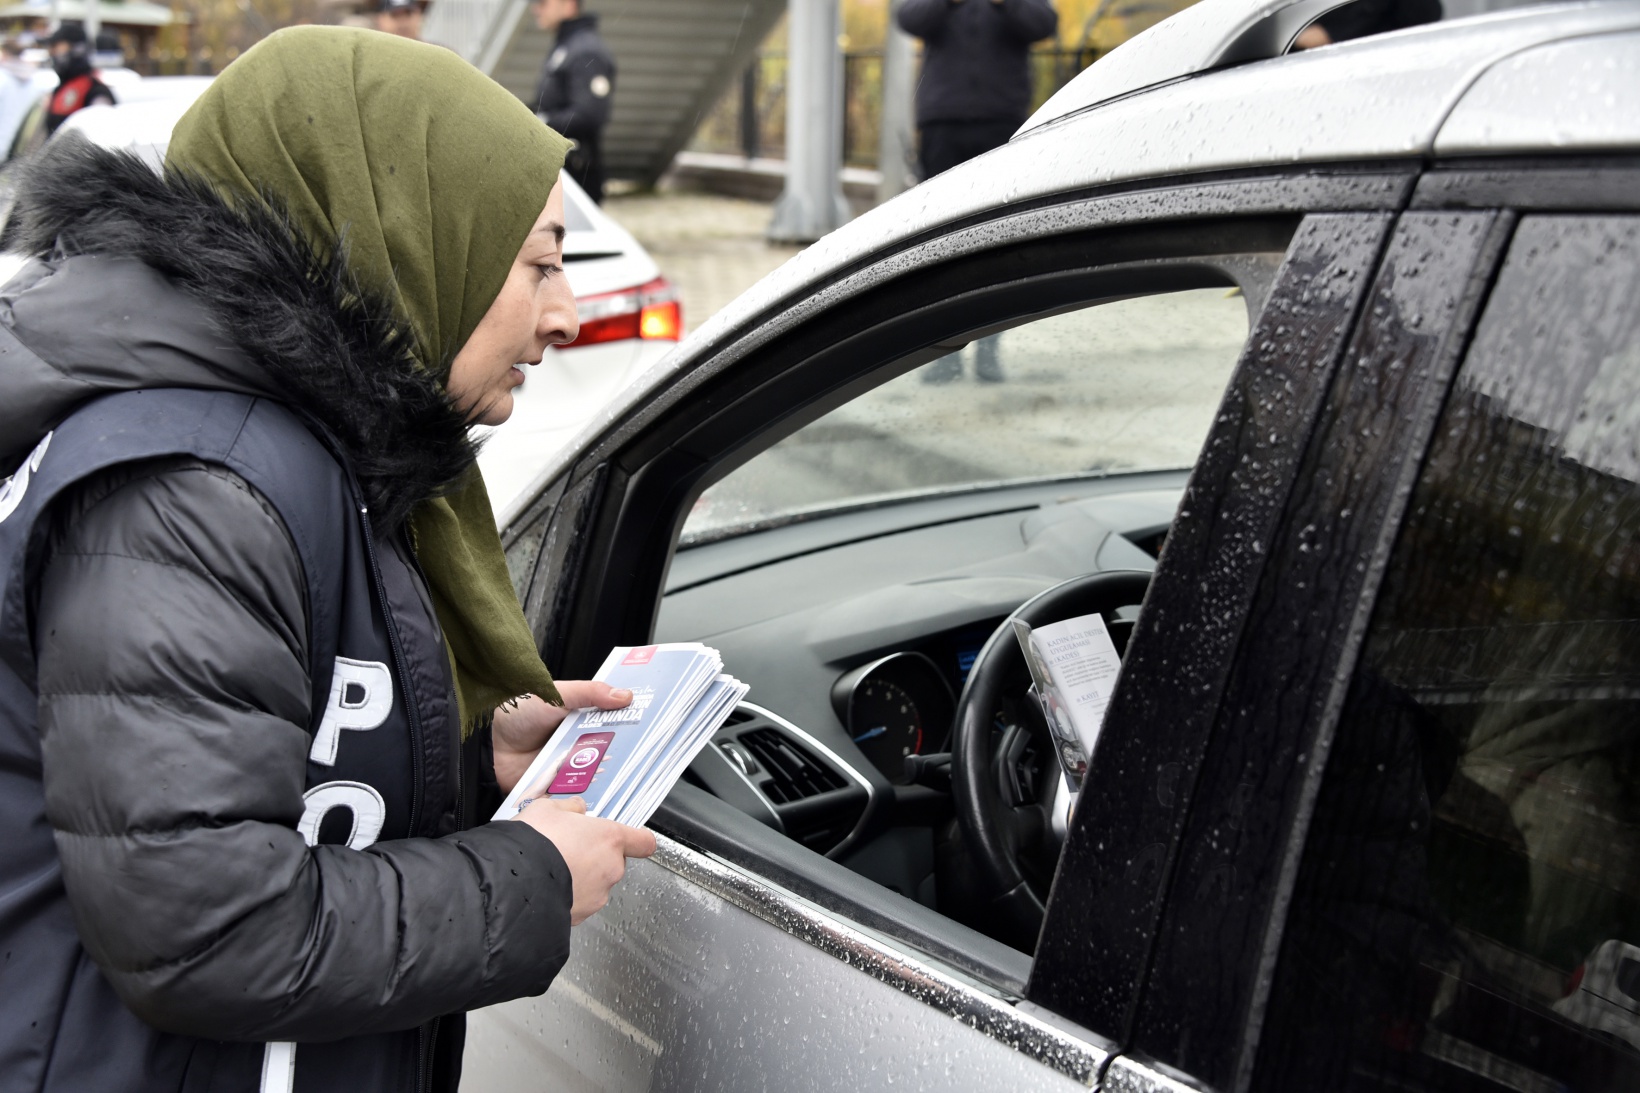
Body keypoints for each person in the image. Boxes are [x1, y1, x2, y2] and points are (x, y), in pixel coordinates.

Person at [0, 27, 654, 1093]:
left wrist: (467, 761)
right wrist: (528, 880)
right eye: (538, 263)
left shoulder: (302, 438)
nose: (565, 315)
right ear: (404, 235)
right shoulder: (194, 489)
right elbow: (207, 930)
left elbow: (245, 762)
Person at [895, 0, 1057, 181]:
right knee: (939, 195)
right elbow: (908, 18)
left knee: (1002, 194)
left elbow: (1044, 24)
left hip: (1003, 118)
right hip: (943, 120)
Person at [531, 0, 614, 203]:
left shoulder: (586, 50)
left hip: (577, 174)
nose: (536, 9)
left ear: (568, 5)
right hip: (562, 170)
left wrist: (540, 123)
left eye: (543, 2)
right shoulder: (568, 45)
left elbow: (589, 115)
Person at [42, 23, 113, 135]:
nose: (53, 54)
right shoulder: (60, 88)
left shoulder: (95, 91)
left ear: (77, 49)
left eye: (58, 48)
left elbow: (103, 135)